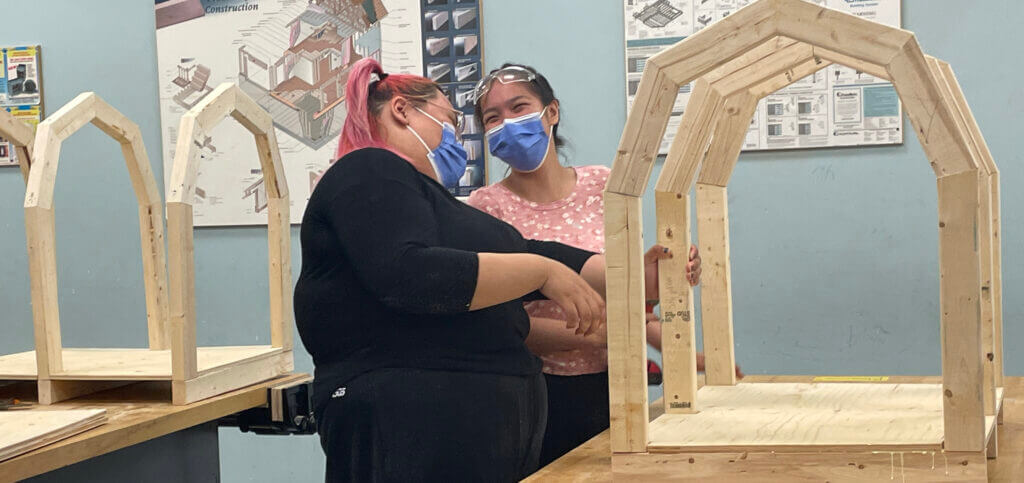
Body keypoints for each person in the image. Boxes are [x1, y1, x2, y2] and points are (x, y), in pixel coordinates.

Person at [294, 57, 615, 482]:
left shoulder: (435, 204)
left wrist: (642, 271)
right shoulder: (369, 168)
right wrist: (540, 273)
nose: (457, 138)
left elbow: (537, 251)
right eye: (450, 120)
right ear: (403, 110)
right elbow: (412, 276)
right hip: (407, 433)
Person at [468, 63, 737, 467]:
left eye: (519, 107)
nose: (507, 123)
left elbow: (628, 292)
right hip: (532, 394)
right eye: (493, 117)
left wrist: (663, 279)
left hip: (614, 387)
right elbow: (498, 325)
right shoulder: (485, 208)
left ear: (551, 112)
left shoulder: (602, 186)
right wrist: (599, 335)